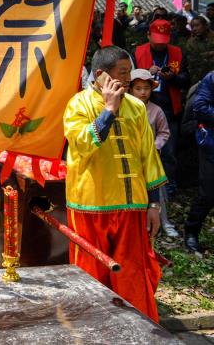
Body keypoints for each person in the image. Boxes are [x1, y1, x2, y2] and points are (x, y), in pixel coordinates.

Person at [63, 46, 165, 322]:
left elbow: (148, 156)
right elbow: (83, 144)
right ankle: (90, 330)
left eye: (129, 72)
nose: (129, 79)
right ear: (100, 75)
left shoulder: (136, 107)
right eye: (123, 73)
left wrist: (153, 203)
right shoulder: (78, 104)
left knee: (131, 274)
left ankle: (136, 330)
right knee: (90, 274)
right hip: (89, 205)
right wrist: (108, 110)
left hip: (131, 205)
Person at [134, 19, 189, 198]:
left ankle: (168, 187)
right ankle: (142, 185)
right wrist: (146, 72)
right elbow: (131, 79)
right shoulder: (138, 52)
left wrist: (172, 77)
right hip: (143, 107)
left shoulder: (177, 53)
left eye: (163, 41)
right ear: (148, 35)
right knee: (141, 147)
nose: (159, 45)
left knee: (168, 150)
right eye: (156, 40)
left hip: (169, 107)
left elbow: (186, 80)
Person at [129, 68, 178, 237]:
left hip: (152, 158)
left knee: (158, 191)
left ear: (151, 89)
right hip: (130, 158)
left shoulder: (156, 110)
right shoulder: (123, 108)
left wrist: (155, 146)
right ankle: (136, 224)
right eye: (138, 88)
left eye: (146, 88)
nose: (143, 92)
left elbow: (164, 132)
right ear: (130, 89)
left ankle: (164, 222)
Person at [185, 70, 214, 253]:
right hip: (211, 144)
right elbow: (199, 106)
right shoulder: (212, 78)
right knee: (208, 193)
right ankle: (191, 232)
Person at [182, 16, 214, 86]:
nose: (194, 29)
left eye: (197, 26)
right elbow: (191, 60)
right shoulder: (191, 42)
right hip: (198, 80)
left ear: (205, 26)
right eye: (192, 27)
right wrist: (209, 54)